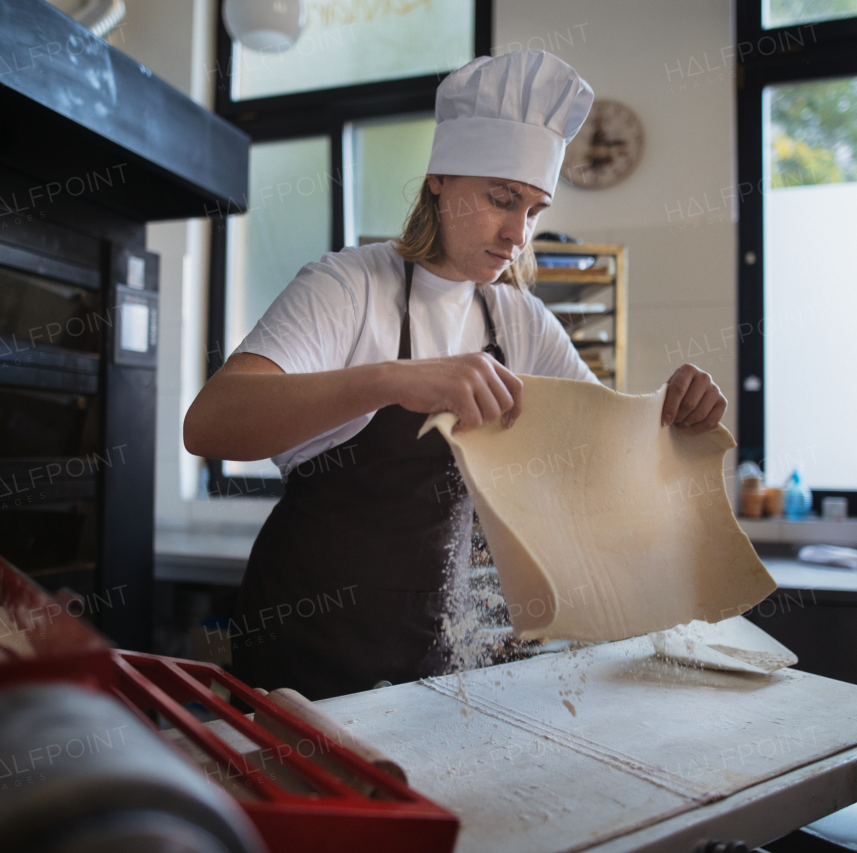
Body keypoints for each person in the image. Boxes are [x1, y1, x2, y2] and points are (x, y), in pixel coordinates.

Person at [184, 50, 726, 700]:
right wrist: (391, 379)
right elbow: (210, 423)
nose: (517, 232)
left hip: (445, 655)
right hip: (311, 650)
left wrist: (672, 413)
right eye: (501, 200)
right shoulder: (348, 286)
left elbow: (608, 457)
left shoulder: (519, 321)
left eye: (534, 209)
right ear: (438, 178)